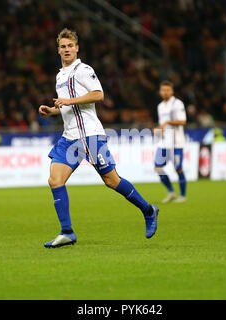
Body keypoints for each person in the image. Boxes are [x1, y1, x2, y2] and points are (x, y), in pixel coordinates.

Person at [38, 28, 159, 248]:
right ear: (58, 50)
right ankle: (67, 232)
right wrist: (53, 110)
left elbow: (98, 94)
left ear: (77, 48)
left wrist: (68, 101)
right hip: (70, 138)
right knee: (55, 180)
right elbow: (68, 105)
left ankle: (148, 210)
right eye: (63, 47)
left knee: (112, 181)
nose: (67, 50)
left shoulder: (83, 70)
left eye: (70, 46)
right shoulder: (60, 75)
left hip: (90, 136)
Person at [153, 81, 187, 203]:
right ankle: (171, 191)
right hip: (164, 142)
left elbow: (183, 121)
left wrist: (167, 123)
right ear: (160, 91)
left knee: (178, 169)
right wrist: (158, 129)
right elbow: (162, 124)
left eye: (167, 90)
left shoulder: (177, 104)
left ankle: (183, 195)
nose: (165, 92)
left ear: (172, 91)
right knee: (157, 167)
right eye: (163, 90)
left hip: (176, 142)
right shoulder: (160, 106)